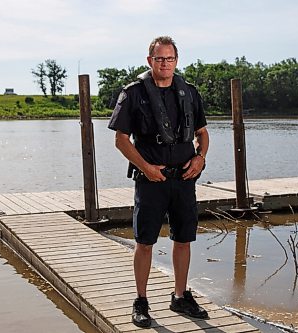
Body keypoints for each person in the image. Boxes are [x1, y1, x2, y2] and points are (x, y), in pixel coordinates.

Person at [108, 36, 210, 328]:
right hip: (150, 179)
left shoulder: (189, 92)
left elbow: (202, 133)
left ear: (177, 60)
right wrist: (146, 168)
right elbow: (120, 140)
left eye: (170, 59)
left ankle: (180, 296)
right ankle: (140, 300)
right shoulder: (133, 93)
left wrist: (200, 157)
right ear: (149, 60)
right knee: (144, 241)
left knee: (183, 238)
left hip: (185, 178)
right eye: (159, 58)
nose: (164, 64)